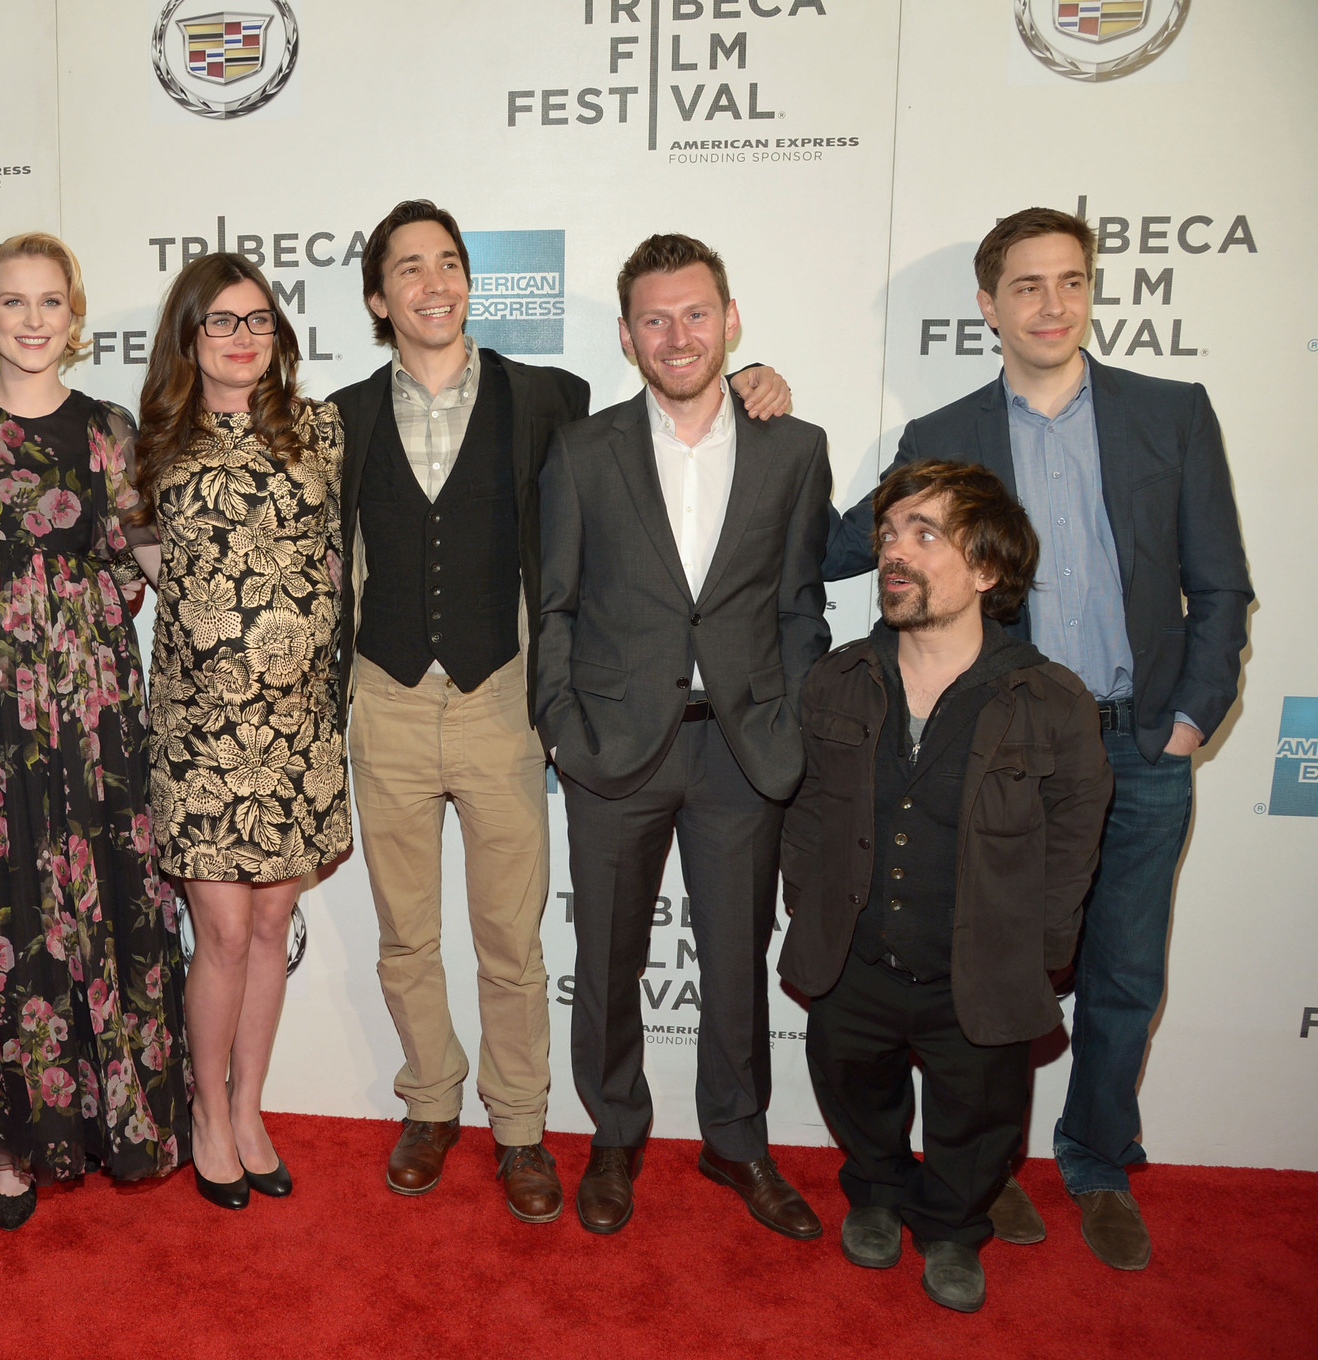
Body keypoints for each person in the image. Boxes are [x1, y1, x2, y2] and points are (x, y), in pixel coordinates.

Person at [328, 200, 793, 1226]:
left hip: (502, 701)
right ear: (377, 298)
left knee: (511, 936)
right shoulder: (341, 416)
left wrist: (757, 381)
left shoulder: (553, 400)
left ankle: (519, 1126)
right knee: (405, 934)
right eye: (407, 268)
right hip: (386, 700)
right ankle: (429, 1103)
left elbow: (672, 433)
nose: (432, 282)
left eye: (447, 262)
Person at [823, 207, 1252, 1268]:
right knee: (1001, 973)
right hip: (1004, 756)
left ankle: (1098, 1158)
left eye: (1068, 281)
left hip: (1140, 744)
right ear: (986, 306)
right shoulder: (943, 436)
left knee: (1122, 972)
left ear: (1088, 291)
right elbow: (838, 547)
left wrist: (1186, 723)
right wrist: (752, 429)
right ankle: (988, 1172)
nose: (1050, 304)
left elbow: (1219, 583)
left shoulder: (1171, 413)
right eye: (1025, 286)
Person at [536, 233, 831, 1241]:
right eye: (654, 319)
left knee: (738, 963)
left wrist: (787, 721)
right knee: (608, 956)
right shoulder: (581, 452)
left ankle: (736, 1141)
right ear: (625, 334)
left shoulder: (793, 446)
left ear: (730, 318)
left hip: (741, 752)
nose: (676, 335)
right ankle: (614, 1134)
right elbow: (554, 607)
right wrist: (561, 730)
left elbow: (797, 606)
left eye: (694, 313)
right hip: (614, 748)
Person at [0, 233, 189, 1229]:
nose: (30, 319)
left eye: (48, 301)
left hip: (86, 704)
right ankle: (9, 1143)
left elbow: (143, 556)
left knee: (89, 897)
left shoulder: (107, 427)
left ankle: (102, 1118)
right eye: (10, 300)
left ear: (74, 313)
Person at [781, 460, 1111, 1312]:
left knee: (979, 1117)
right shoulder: (841, 677)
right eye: (890, 534)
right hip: (856, 957)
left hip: (982, 966)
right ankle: (880, 1193)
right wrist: (809, 912)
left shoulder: (1051, 700)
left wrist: (1041, 956)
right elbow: (810, 810)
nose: (896, 552)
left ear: (987, 568)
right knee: (856, 1086)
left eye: (926, 535)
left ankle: (956, 1226)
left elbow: (1074, 841)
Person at [134, 252, 351, 1210]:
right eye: (220, 322)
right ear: (188, 336)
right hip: (200, 733)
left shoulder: (324, 430)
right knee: (220, 930)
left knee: (272, 921)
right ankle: (206, 1114)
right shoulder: (143, 447)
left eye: (259, 320)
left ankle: (250, 1106)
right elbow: (143, 571)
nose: (242, 338)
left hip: (298, 729)